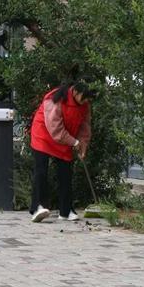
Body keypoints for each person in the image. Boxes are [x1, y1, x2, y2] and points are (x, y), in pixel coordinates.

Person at [28, 81, 93, 223]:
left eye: (88, 99)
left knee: (65, 172)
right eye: (85, 98)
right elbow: (55, 129)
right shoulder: (56, 99)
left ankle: (66, 210)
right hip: (44, 134)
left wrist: (82, 144)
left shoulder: (84, 104)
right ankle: (38, 207)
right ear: (75, 92)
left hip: (65, 138)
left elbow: (85, 126)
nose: (86, 102)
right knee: (41, 170)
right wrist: (74, 142)